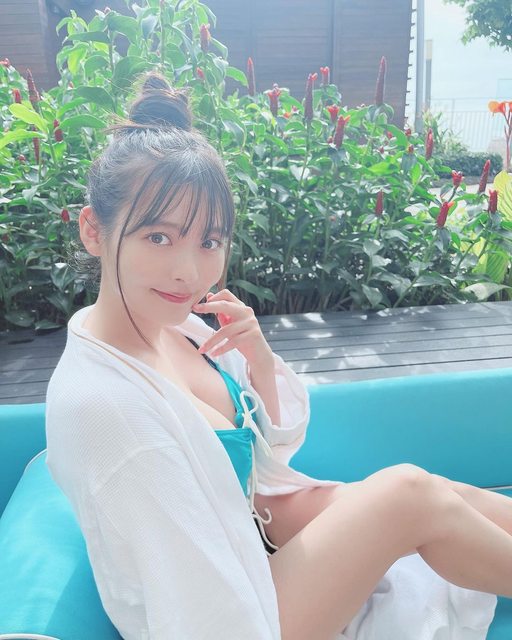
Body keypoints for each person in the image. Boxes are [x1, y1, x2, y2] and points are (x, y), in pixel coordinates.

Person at [45, 70, 508, 640]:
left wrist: (258, 361)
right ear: (94, 230)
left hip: (262, 547)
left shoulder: (177, 328)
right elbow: (195, 606)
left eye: (209, 241)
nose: (188, 271)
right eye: (158, 237)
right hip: (238, 617)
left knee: (443, 491)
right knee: (408, 493)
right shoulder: (106, 406)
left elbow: (274, 452)